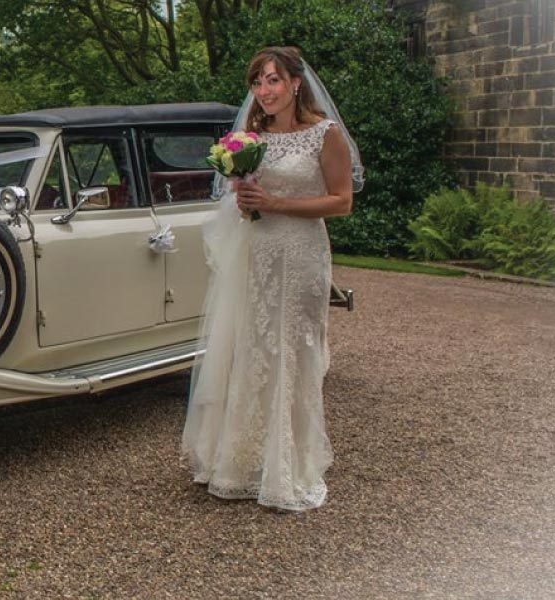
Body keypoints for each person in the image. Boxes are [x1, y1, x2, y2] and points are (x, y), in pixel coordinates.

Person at [181, 46, 362, 511]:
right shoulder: (249, 137)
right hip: (257, 253)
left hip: (302, 255)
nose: (264, 91)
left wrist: (277, 205)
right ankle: (242, 460)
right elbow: (240, 199)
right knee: (252, 347)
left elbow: (342, 201)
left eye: (274, 80)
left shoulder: (326, 135)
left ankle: (288, 467)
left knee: (291, 351)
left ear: (296, 83)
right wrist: (243, 201)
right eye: (258, 82)